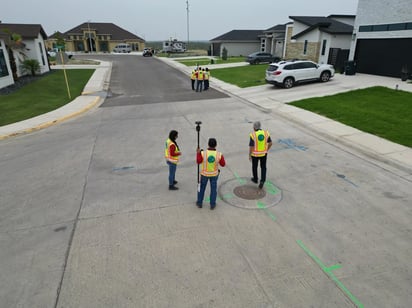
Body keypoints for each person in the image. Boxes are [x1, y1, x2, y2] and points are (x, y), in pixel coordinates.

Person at [196, 138, 226, 209]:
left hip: (204, 175)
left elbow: (198, 161)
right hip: (214, 175)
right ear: (216, 145)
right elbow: (223, 164)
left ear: (208, 144)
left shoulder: (203, 153)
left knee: (202, 189)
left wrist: (198, 153)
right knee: (213, 190)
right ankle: (212, 204)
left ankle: (199, 202)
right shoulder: (219, 154)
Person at [249, 121, 272, 189]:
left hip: (255, 155)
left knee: (254, 167)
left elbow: (251, 146)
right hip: (264, 154)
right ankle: (262, 181)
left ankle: (255, 179)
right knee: (263, 167)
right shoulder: (266, 133)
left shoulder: (253, 135)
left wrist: (249, 155)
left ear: (254, 128)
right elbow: (270, 143)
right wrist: (266, 150)